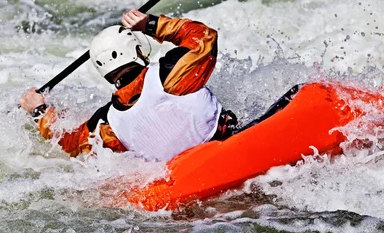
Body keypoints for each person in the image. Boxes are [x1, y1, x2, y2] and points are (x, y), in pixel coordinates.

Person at [19, 10, 238, 161]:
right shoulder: (173, 73)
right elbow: (204, 36)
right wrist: (150, 24)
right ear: (137, 52)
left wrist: (40, 111)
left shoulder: (107, 124)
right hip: (228, 145)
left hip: (184, 176)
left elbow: (68, 142)